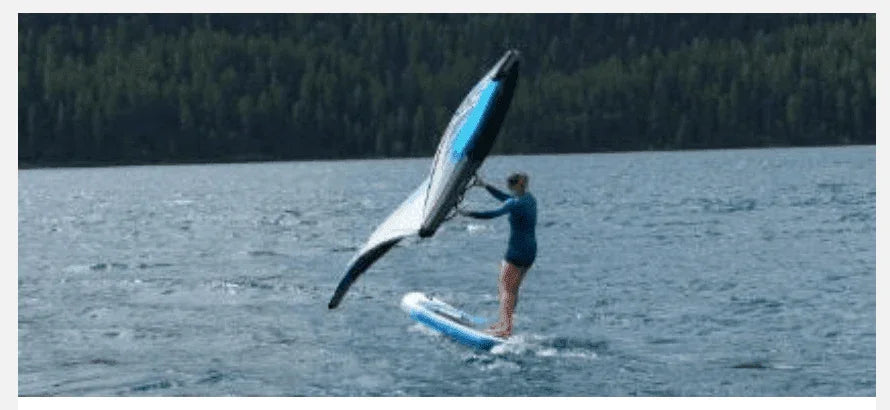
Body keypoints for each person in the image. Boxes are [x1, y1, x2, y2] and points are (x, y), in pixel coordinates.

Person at [458, 172, 537, 338]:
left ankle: (505, 328)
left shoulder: (514, 203)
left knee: (505, 289)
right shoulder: (529, 199)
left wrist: (466, 213)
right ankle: (504, 323)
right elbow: (505, 198)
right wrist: (485, 186)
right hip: (530, 251)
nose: (508, 187)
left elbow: (492, 214)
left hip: (516, 251)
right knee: (513, 290)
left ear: (515, 185)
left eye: (510, 184)